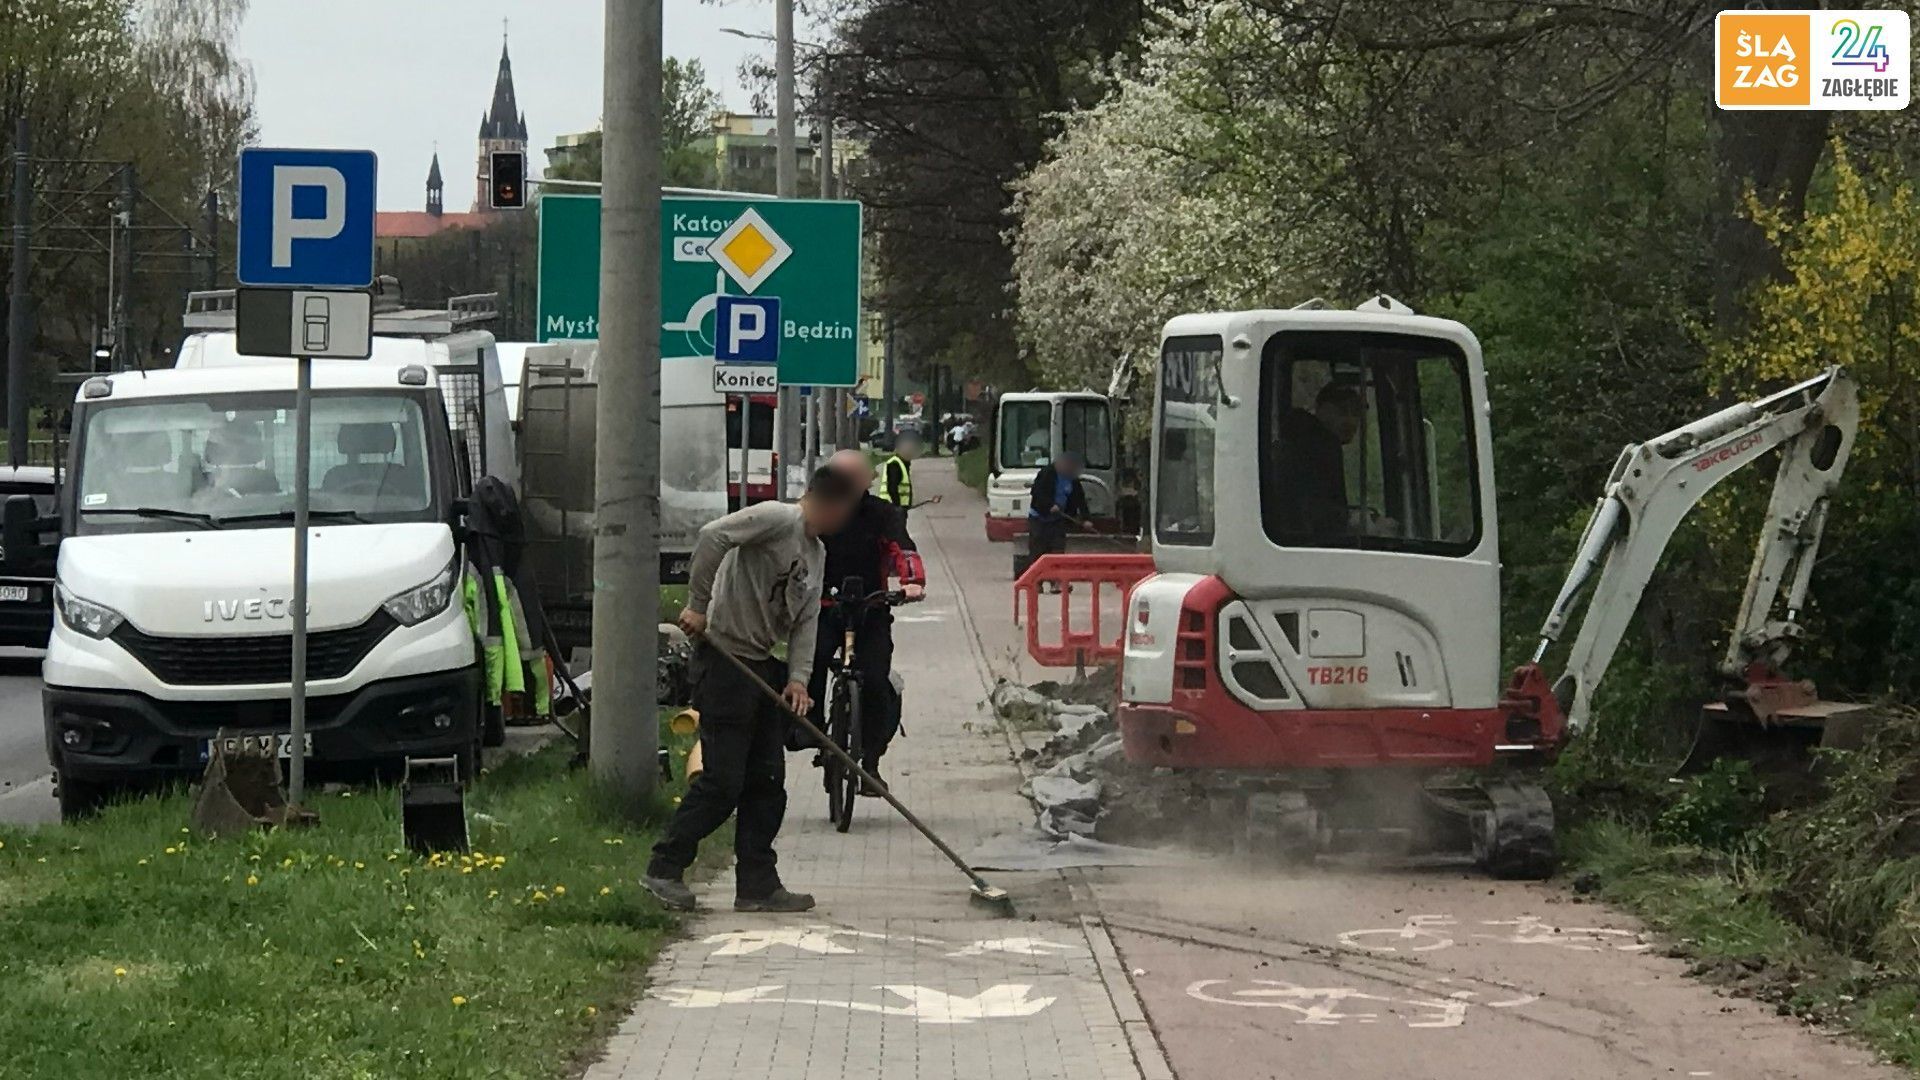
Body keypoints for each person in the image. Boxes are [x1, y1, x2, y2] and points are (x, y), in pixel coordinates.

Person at [644, 466, 864, 914]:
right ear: (832, 504)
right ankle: (664, 867)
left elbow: (806, 621)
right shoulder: (777, 518)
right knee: (724, 781)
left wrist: (799, 678)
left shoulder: (816, 554)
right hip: (724, 658)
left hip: (761, 667)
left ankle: (757, 885)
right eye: (847, 511)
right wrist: (697, 606)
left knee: (767, 783)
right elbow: (712, 537)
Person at [809, 450, 926, 794]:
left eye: (852, 478)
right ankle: (810, 730)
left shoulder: (881, 514)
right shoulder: (817, 510)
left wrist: (912, 581)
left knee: (877, 680)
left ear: (866, 481)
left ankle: (871, 761)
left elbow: (902, 548)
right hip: (825, 606)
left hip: (870, 609)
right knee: (809, 662)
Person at [1270, 384, 1363, 539]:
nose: (1351, 421)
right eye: (1342, 411)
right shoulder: (1323, 446)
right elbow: (1323, 515)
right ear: (1322, 409)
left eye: (1356, 413)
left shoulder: (1300, 440)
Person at [1027, 449, 1089, 565]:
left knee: (1058, 549)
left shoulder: (1073, 480)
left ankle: (1056, 580)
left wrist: (1086, 518)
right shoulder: (1046, 473)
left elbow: (1080, 499)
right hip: (1039, 518)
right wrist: (1049, 505)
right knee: (1038, 550)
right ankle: (1036, 580)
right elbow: (1037, 493)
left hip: (1058, 519)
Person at [874, 430, 922, 518]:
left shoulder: (903, 463)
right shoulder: (895, 464)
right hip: (891, 506)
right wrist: (897, 507)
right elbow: (892, 487)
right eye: (908, 450)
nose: (910, 453)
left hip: (896, 507)